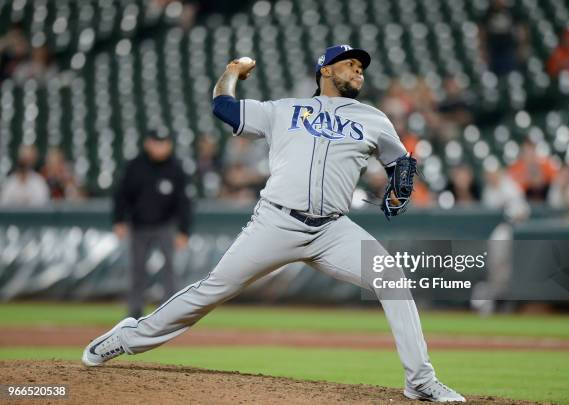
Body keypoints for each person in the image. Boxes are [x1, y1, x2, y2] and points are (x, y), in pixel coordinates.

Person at [82, 45, 465, 403]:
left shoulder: (374, 119)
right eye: (350, 63)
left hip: (333, 230)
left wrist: (400, 183)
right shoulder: (283, 109)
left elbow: (400, 163)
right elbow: (224, 107)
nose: (358, 70)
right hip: (277, 221)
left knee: (391, 278)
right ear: (325, 69)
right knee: (212, 291)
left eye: (361, 66)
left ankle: (420, 381)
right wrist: (230, 72)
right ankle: (128, 337)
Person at [111, 129, 192, 319]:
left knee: (171, 269)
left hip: (166, 225)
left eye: (163, 142)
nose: (160, 146)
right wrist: (119, 220)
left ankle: (171, 312)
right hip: (139, 225)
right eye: (156, 142)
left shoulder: (175, 167)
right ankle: (135, 312)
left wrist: (184, 230)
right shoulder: (135, 166)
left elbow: (184, 202)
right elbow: (121, 195)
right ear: (148, 143)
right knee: (137, 269)